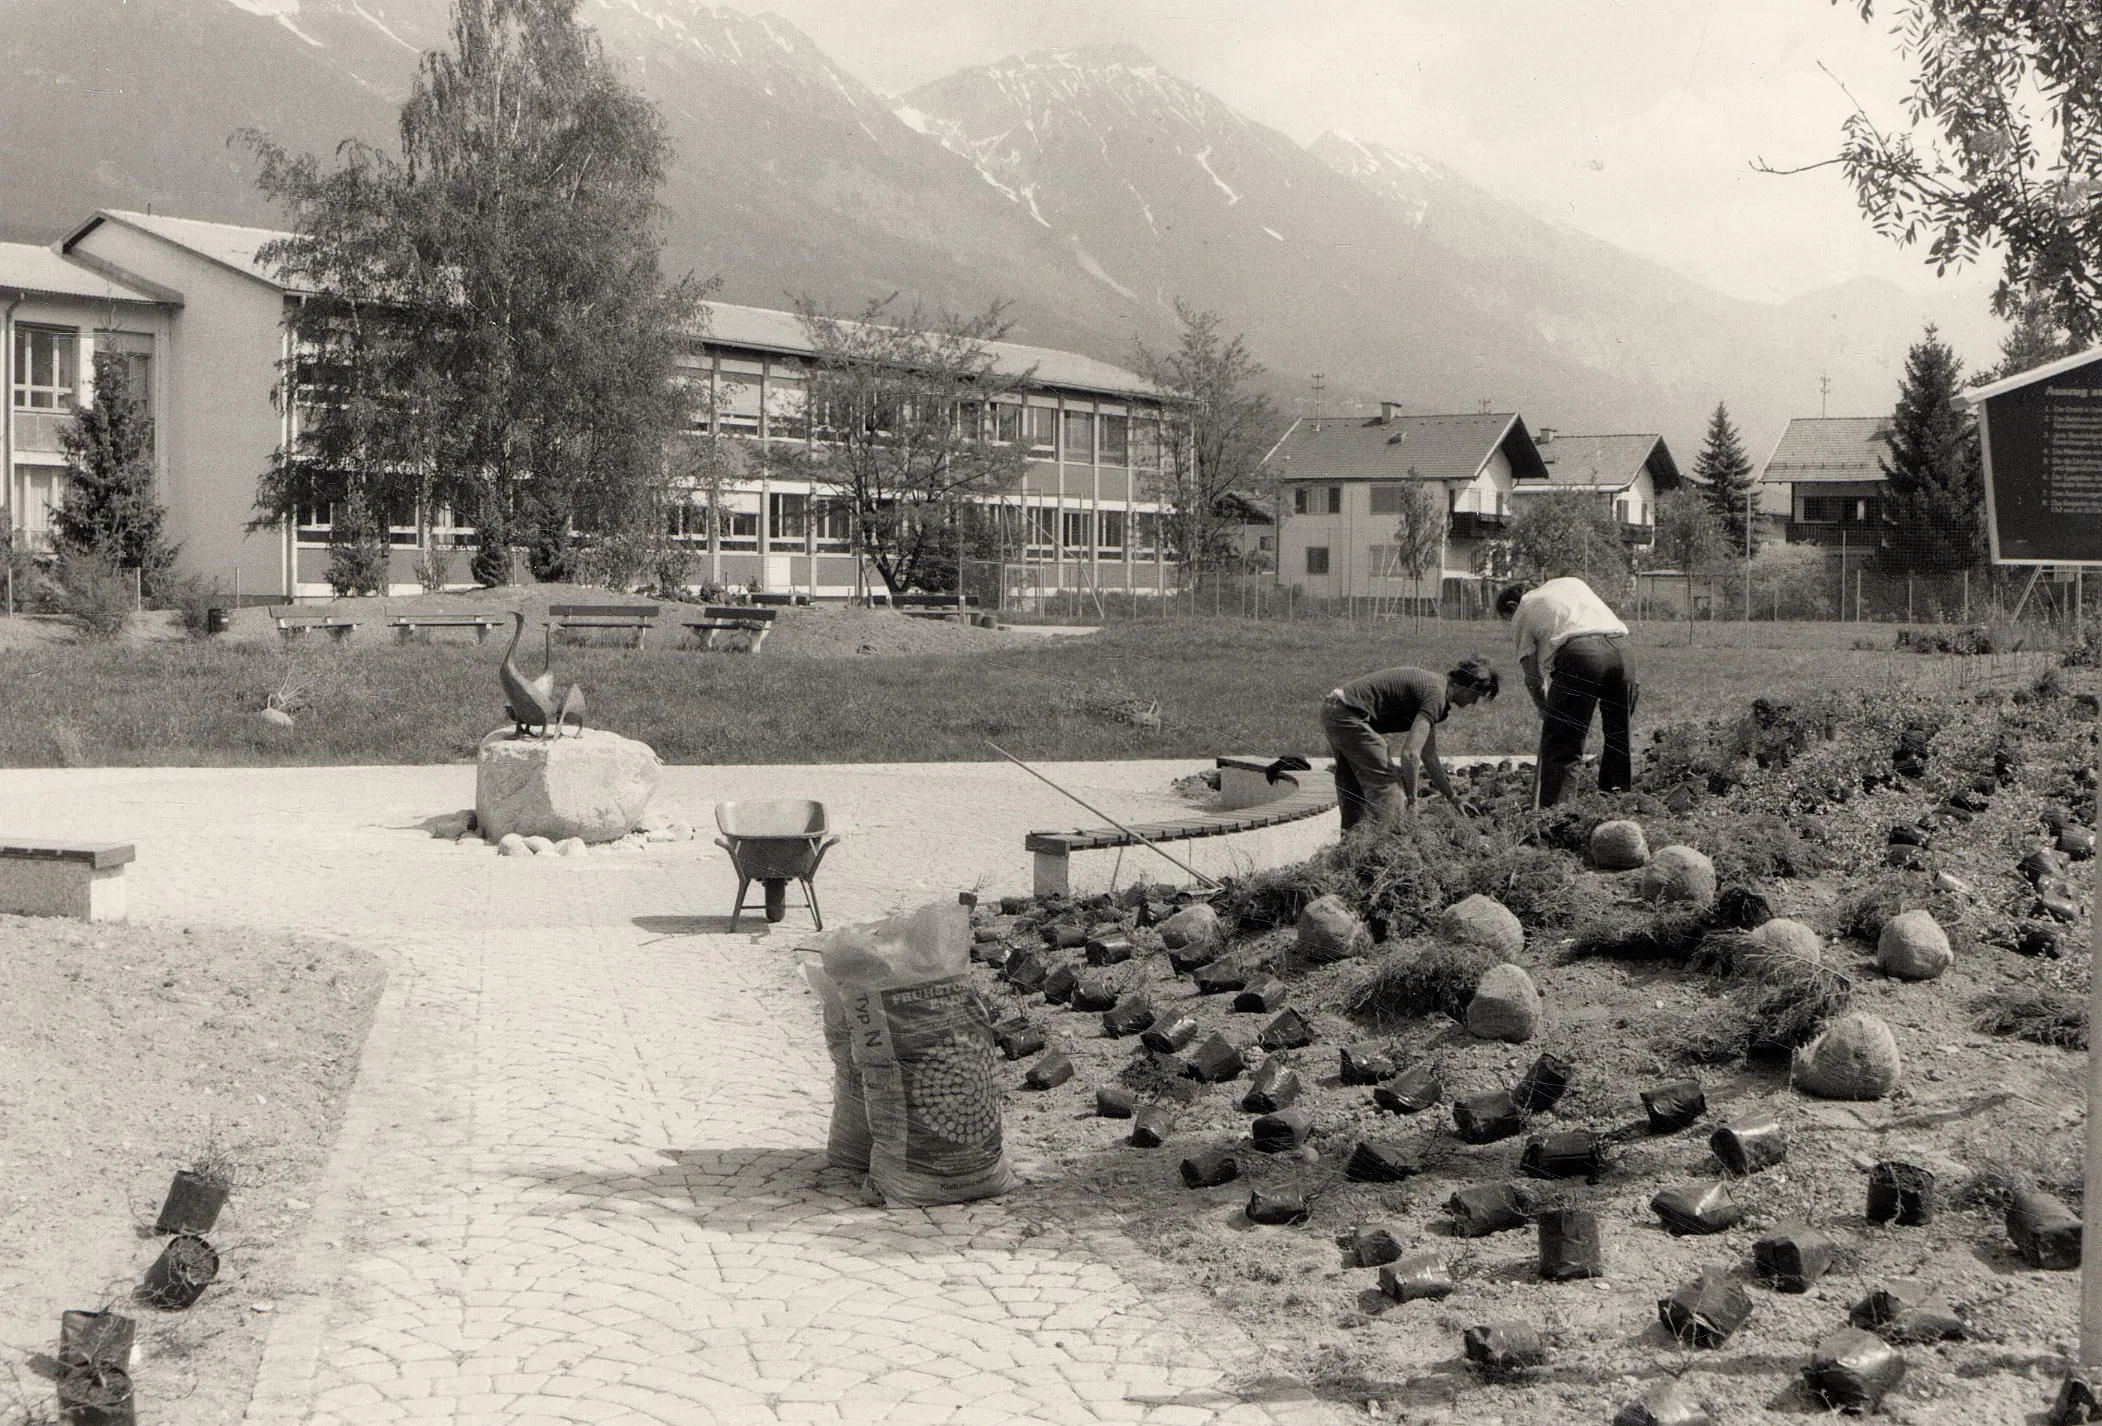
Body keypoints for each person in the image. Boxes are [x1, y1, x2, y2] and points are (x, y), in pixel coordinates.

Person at [1496, 576, 1636, 808]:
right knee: (1618, 737)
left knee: (1563, 743)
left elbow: (1532, 676)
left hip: (1582, 655)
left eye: (1507, 618)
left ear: (1512, 607)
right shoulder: (1571, 584)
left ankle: (1557, 817)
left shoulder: (1524, 607)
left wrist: (1545, 708)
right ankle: (1616, 804)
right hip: (1623, 651)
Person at [1320, 659, 1500, 832]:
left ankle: (1353, 845)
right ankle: (1387, 845)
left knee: (1354, 782)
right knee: (1387, 783)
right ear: (1472, 687)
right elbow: (1410, 755)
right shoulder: (1436, 695)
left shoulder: (1435, 689)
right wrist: (1413, 802)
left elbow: (1428, 756)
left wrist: (1453, 798)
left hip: (1336, 709)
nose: (1474, 703)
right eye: (1477, 696)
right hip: (1348, 715)